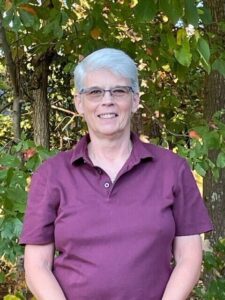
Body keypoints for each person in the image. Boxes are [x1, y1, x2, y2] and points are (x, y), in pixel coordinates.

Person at [20, 48, 213, 300]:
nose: (107, 100)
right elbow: (37, 266)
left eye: (119, 91)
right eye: (95, 92)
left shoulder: (172, 169)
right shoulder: (51, 174)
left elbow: (189, 257)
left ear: (135, 100)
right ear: (80, 103)